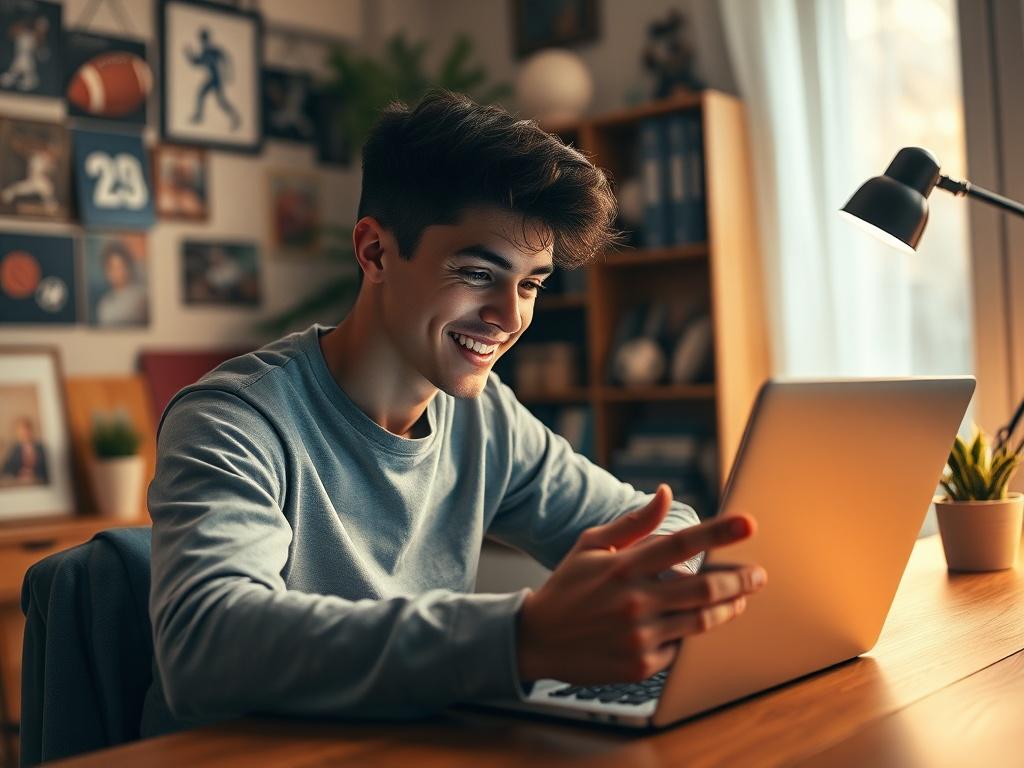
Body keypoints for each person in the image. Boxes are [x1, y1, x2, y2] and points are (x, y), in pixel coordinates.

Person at [143, 90, 767, 735]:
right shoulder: (233, 420)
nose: (509, 316)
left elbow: (656, 523)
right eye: (476, 273)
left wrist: (662, 579)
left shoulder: (485, 419)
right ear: (375, 252)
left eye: (530, 284)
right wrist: (520, 638)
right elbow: (205, 645)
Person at [185, 28, 240, 130]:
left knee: (221, 102)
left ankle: (235, 117)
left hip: (217, 79)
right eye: (202, 41)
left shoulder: (214, 50)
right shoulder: (204, 53)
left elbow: (226, 59)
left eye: (204, 40)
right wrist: (189, 54)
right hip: (212, 79)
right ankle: (199, 116)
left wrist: (228, 74)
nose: (203, 43)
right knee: (201, 94)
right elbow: (196, 62)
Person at [94, 242, 148, 326]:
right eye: (112, 267)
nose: (117, 272)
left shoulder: (141, 298)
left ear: (127, 267)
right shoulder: (104, 305)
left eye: (120, 266)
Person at [1, 416, 47, 485]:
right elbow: (6, 470)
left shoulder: (41, 448)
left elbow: (48, 469)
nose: (23, 433)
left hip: (40, 484)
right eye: (20, 430)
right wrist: (18, 475)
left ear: (31, 430)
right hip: (21, 486)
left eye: (25, 430)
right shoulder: (14, 450)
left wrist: (34, 474)